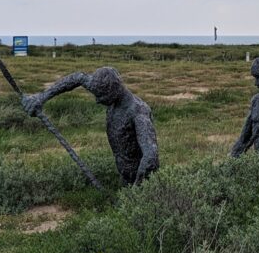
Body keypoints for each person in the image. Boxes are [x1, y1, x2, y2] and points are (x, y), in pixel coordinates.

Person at [21, 66, 158, 185]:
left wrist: (135, 192)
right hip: (124, 174)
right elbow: (77, 78)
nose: (97, 100)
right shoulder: (111, 95)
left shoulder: (138, 112)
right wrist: (41, 97)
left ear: (113, 91)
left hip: (142, 181)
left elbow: (150, 157)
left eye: (101, 96)